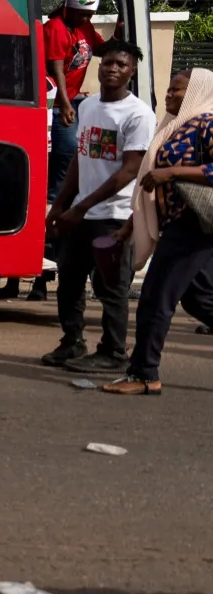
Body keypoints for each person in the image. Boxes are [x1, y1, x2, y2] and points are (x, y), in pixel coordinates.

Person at [40, 41, 154, 374]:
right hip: (80, 213)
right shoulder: (88, 106)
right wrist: (60, 205)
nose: (113, 69)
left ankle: (113, 352)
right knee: (69, 281)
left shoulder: (137, 114)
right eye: (108, 63)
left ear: (132, 71)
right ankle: (72, 342)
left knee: (112, 288)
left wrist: (82, 207)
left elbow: (129, 170)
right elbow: (80, 158)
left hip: (114, 217)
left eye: (121, 64)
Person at [102, 67, 213, 397]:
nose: (169, 95)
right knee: (199, 299)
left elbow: (163, 175)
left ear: (195, 92)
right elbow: (149, 183)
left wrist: (172, 172)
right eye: (169, 89)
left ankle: (144, 373)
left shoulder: (207, 121)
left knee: (154, 298)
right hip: (179, 223)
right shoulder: (175, 126)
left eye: (177, 90)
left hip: (194, 225)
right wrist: (129, 226)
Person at [0, 0, 108, 300]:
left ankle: (39, 279)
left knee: (55, 190)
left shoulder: (82, 26)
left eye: (90, 14)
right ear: (68, 8)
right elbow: (55, 66)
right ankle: (20, 279)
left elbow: (98, 50)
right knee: (44, 188)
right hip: (54, 107)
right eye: (81, 13)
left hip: (65, 106)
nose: (86, 18)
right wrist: (67, 102)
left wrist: (118, 36)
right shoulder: (55, 28)